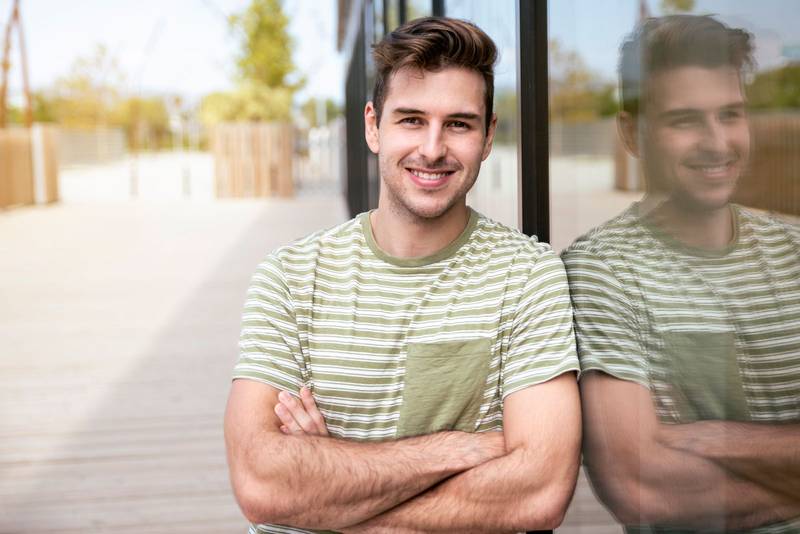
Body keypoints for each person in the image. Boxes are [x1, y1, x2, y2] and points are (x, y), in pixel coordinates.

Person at [224, 16, 582, 534]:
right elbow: (263, 485)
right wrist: (459, 449)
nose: (433, 149)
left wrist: (329, 490)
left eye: (458, 123)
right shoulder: (292, 276)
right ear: (373, 126)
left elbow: (540, 490)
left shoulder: (528, 276)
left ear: (487, 137)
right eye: (411, 120)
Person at [562, 14, 800, 534]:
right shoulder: (603, 271)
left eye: (730, 114)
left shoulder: (796, 252)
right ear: (631, 132)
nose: (717, 142)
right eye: (685, 120)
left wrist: (714, 439)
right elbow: (643, 487)